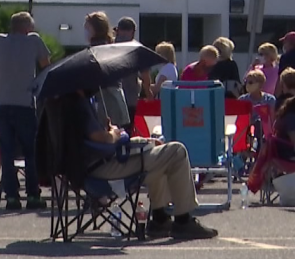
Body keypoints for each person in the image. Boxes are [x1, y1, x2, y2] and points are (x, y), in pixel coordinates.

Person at [77, 90, 218, 239]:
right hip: (103, 167)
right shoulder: (80, 106)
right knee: (177, 151)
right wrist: (114, 133)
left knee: (157, 154)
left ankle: (160, 219)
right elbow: (101, 138)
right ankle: (183, 221)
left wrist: (142, 141)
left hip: (94, 165)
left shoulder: (66, 106)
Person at [0, 11, 51, 210]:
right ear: (27, 28)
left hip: (2, 102)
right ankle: (33, 195)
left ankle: (12, 197)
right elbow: (46, 67)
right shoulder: (33, 40)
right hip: (24, 103)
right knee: (30, 152)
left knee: (6, 152)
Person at [86, 12, 130, 128]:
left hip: (106, 99)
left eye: (88, 27)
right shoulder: (111, 46)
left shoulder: (96, 50)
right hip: (116, 98)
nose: (86, 31)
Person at [114, 17, 153, 126]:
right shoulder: (137, 49)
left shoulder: (109, 46)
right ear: (133, 32)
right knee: (127, 129)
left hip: (111, 96)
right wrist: (148, 91)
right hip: (130, 97)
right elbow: (145, 75)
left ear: (118, 30)